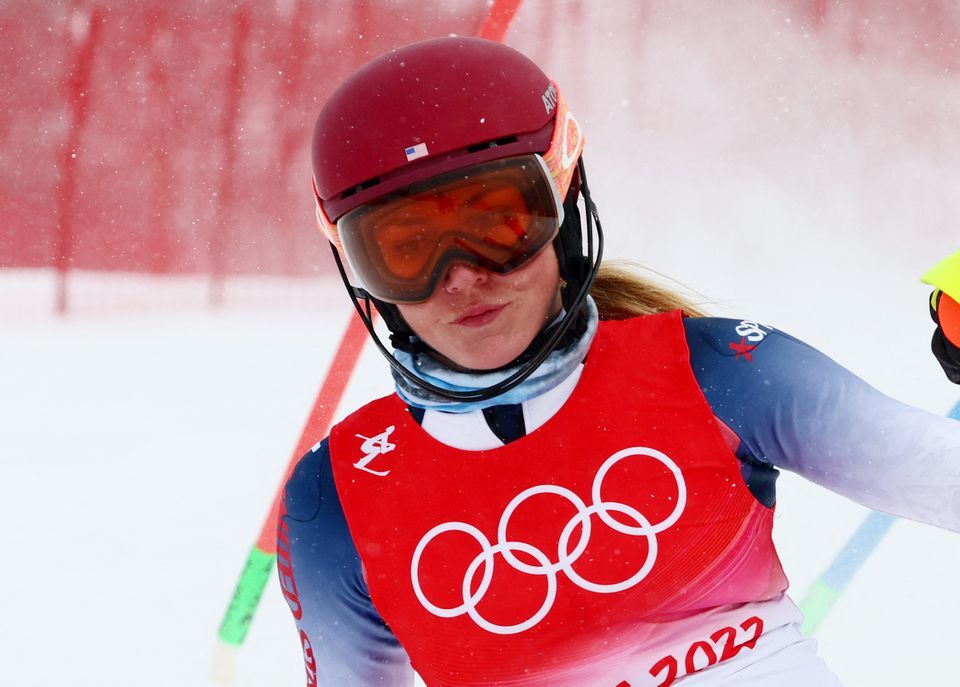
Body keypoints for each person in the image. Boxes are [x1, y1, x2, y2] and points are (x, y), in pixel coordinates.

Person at [277, 37, 960, 687]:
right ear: (358, 269)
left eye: (497, 226)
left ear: (563, 199)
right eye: (406, 248)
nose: (459, 277)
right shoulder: (336, 497)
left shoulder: (721, 370)